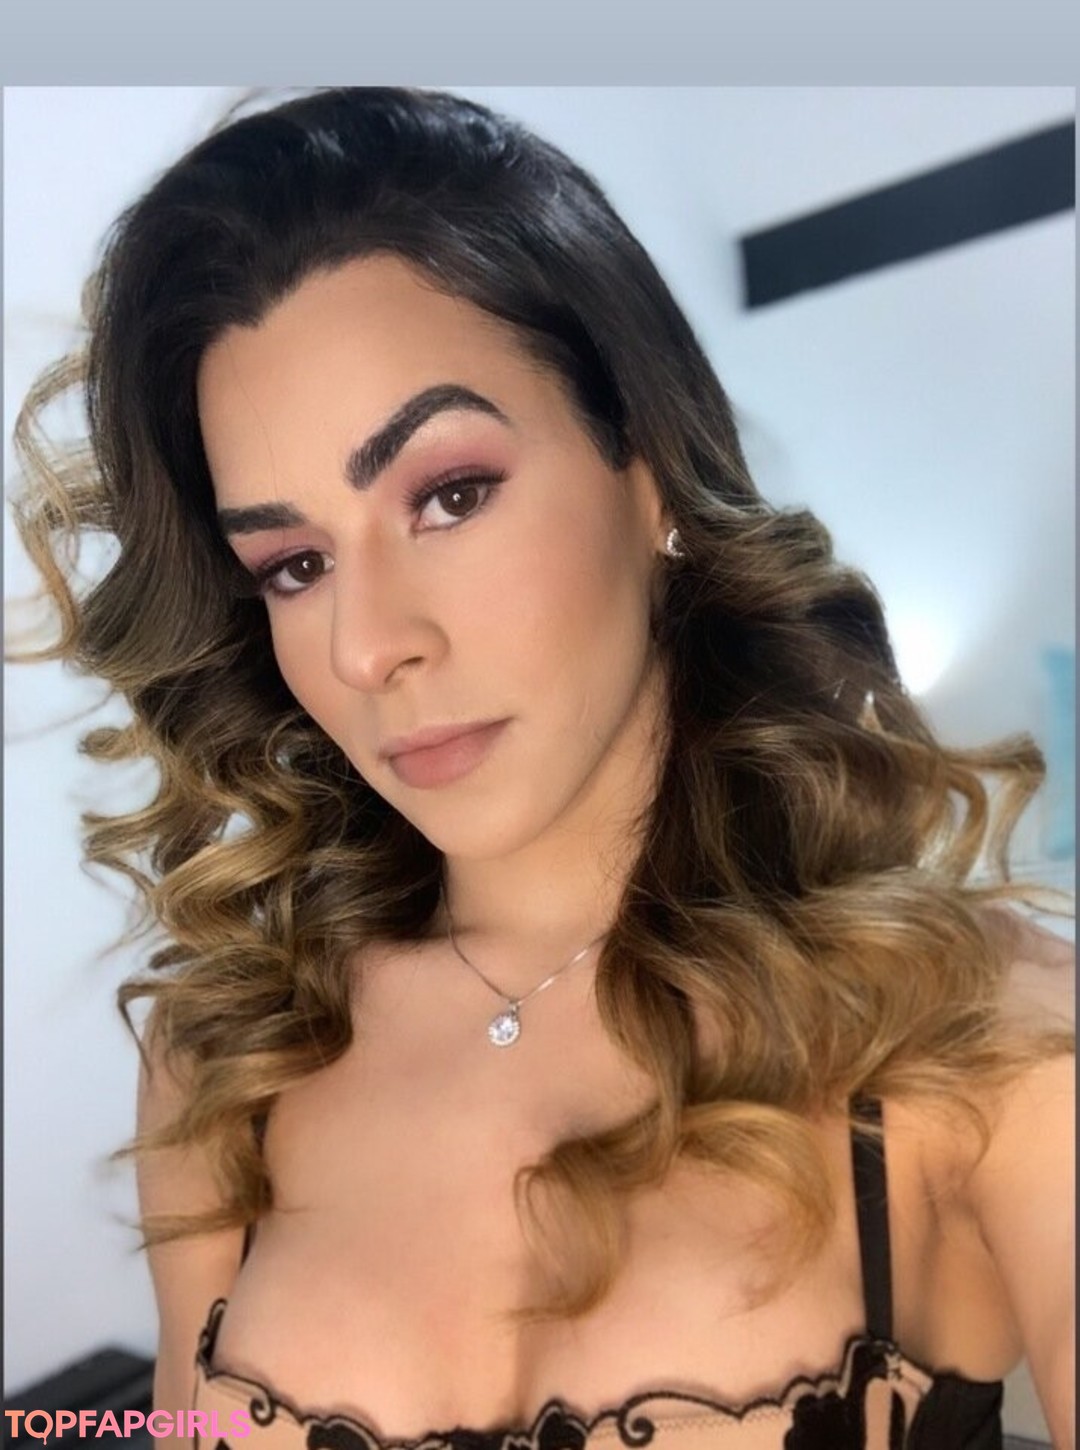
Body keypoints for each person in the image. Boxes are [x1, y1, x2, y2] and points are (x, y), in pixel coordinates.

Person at [9, 87, 1074, 1450]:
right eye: (294, 563)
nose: (369, 646)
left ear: (648, 468)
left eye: (449, 495)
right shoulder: (226, 1058)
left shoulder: (985, 1042)